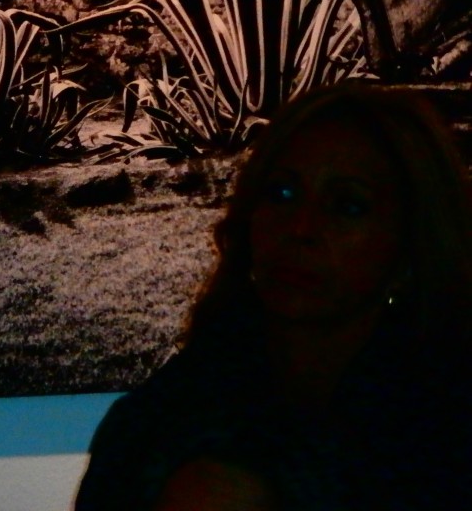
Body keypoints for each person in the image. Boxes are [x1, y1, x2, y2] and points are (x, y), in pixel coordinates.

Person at [75, 81, 472, 511]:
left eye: (347, 206)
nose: (301, 228)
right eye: (282, 193)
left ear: (410, 247)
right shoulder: (157, 419)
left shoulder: (445, 431)